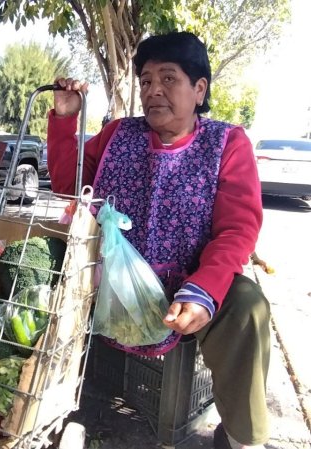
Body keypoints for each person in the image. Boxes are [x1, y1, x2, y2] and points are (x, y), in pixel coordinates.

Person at [47, 31, 271, 449]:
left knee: (248, 306)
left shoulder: (227, 143)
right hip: (110, 284)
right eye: (146, 81)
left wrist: (204, 289)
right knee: (36, 263)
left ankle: (243, 436)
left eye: (169, 78)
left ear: (199, 88)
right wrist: (65, 120)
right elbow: (69, 185)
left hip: (183, 287)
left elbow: (237, 229)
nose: (154, 91)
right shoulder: (119, 134)